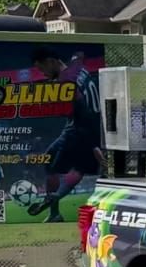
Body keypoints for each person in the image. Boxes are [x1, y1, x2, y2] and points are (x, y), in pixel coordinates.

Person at [25, 47, 105, 222]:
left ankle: (54, 202)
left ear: (51, 62)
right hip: (88, 124)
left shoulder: (66, 81)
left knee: (75, 167)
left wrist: (93, 144)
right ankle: (54, 208)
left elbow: (83, 110)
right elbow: (79, 54)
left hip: (80, 127)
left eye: (42, 68)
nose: (42, 73)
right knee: (63, 164)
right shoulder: (76, 66)